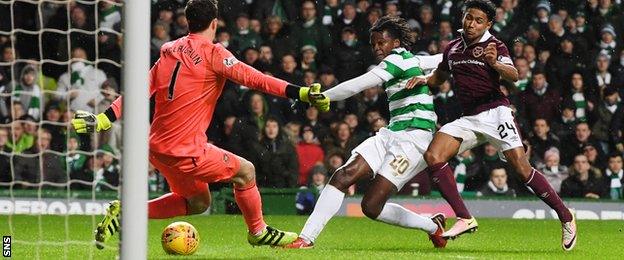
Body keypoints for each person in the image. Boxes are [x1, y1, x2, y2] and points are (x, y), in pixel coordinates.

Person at [70, 0, 327, 249]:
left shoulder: (170, 51)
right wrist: (300, 92)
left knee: (198, 202)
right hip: (186, 151)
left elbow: (141, 88)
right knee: (246, 171)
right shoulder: (213, 53)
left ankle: (127, 213)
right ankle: (258, 232)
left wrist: (104, 118)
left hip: (158, 148)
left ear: (188, 21)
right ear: (214, 23)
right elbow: (255, 79)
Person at [405, 0, 576, 250]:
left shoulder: (495, 45)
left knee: (521, 169)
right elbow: (439, 77)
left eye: (478, 20)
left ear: (489, 24)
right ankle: (464, 217)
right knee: (433, 155)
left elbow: (514, 75)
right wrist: (423, 79)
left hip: (496, 113)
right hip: (469, 117)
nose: (471, 23)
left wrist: (495, 63)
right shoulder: (452, 48)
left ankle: (566, 216)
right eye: (468, 17)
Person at [285, 15, 446, 249]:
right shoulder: (414, 61)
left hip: (415, 139)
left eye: (382, 42)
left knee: (371, 207)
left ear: (397, 43)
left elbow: (358, 84)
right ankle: (306, 239)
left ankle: (432, 226)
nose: (377, 48)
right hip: (391, 133)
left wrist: (321, 96)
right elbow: (444, 59)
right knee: (342, 176)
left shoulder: (398, 60)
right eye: (374, 44)